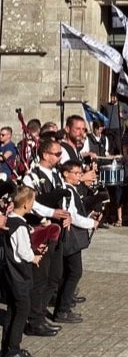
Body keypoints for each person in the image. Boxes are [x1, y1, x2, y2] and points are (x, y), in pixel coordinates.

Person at [21, 139, 71, 337]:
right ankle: (34, 321)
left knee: (54, 275)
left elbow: (65, 196)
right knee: (40, 278)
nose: (60, 157)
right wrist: (53, 213)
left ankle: (41, 314)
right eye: (57, 153)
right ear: (45, 155)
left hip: (57, 230)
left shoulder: (57, 174)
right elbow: (31, 203)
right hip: (40, 230)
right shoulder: (30, 177)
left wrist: (67, 215)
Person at [2, 186, 44, 357]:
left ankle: (6, 348)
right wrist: (34, 257)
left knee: (12, 311)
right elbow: (23, 252)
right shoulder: (19, 225)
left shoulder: (7, 221)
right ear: (26, 204)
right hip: (19, 274)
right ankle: (13, 349)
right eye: (32, 201)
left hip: (9, 274)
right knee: (22, 312)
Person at [55, 158, 97, 323]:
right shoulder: (67, 191)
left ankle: (64, 304)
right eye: (76, 173)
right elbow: (72, 215)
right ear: (66, 174)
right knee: (74, 272)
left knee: (69, 272)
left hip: (73, 236)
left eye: (81, 173)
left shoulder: (71, 189)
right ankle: (62, 309)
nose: (80, 176)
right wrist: (90, 223)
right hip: (70, 237)